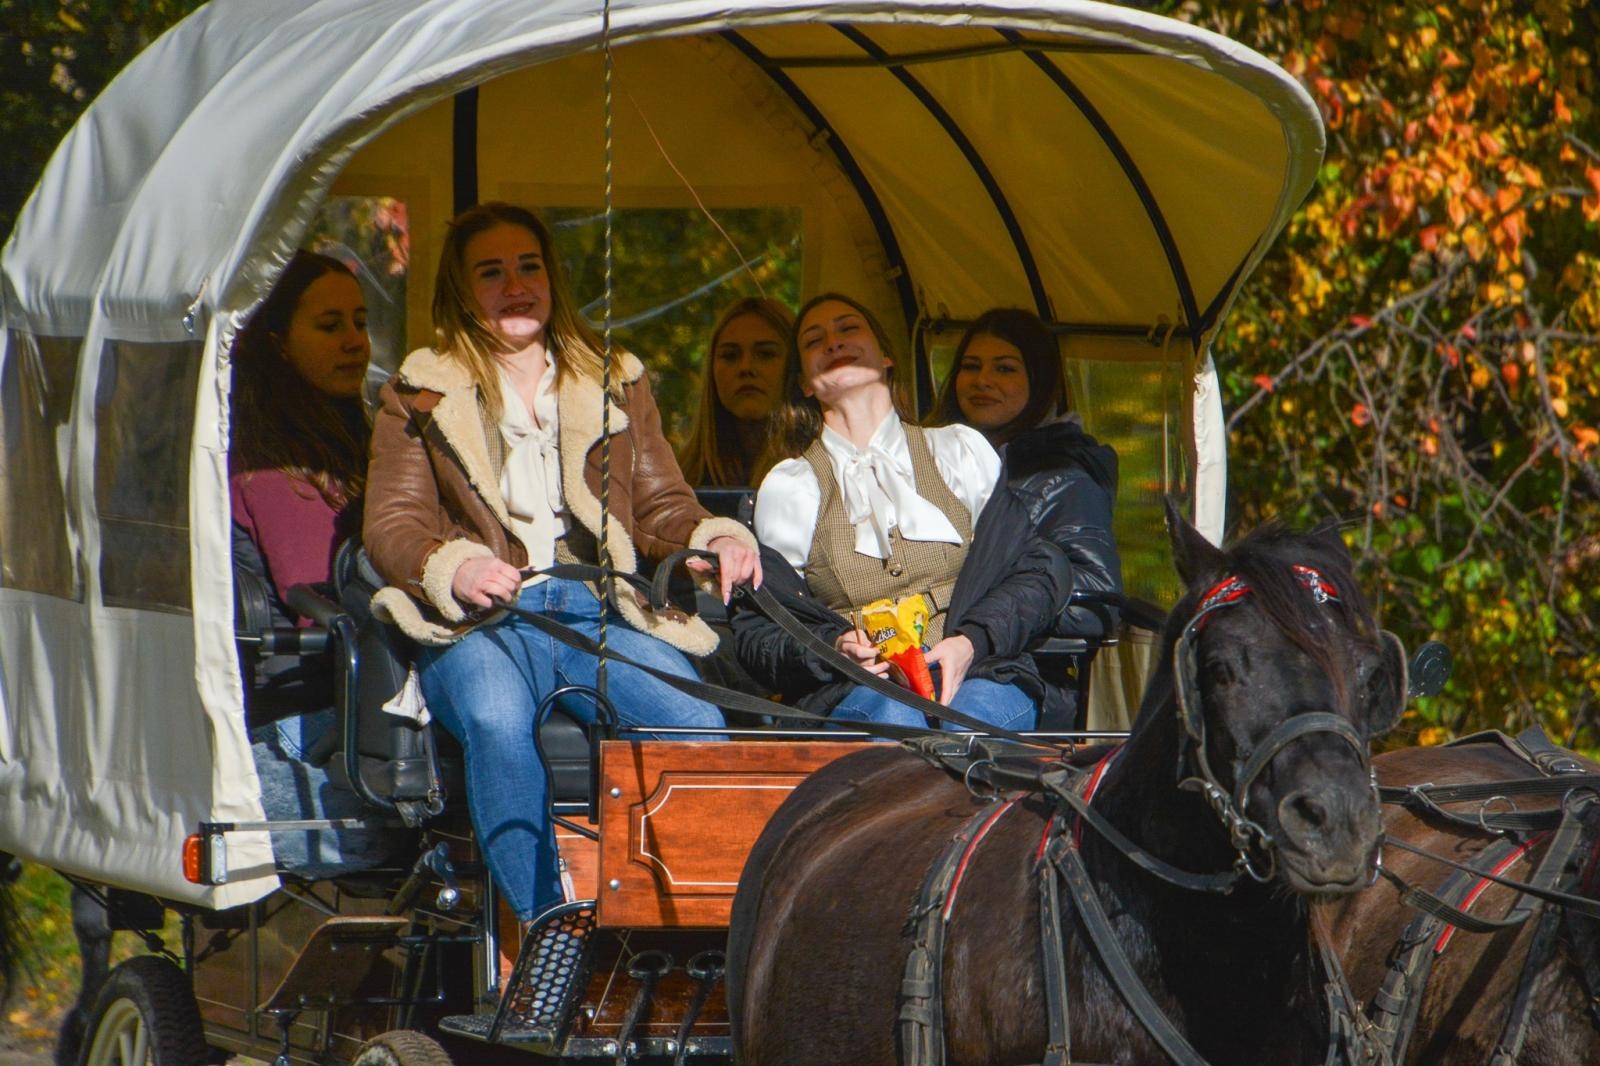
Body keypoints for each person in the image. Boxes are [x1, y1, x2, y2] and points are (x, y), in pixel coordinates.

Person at [363, 202, 760, 939]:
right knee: (496, 719)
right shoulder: (418, 389)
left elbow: (661, 502)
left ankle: (681, 933)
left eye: (529, 267)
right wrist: (455, 567)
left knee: (694, 723)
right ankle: (550, 935)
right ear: (460, 288)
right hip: (478, 625)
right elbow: (393, 523)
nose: (515, 285)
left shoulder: (611, 378)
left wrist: (711, 537)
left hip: (592, 613)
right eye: (492, 272)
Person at [732, 293, 1072, 732]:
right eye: (815, 339)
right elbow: (764, 630)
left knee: (971, 721)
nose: (834, 342)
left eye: (849, 328)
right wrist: (832, 650)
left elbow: (1035, 570)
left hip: (980, 671)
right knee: (894, 719)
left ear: (887, 356)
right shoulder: (790, 486)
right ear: (803, 382)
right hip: (861, 690)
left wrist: (971, 642)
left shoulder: (958, 450)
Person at [228, 249, 391, 877]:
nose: (354, 340)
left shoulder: (358, 436)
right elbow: (322, 602)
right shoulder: (274, 464)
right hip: (313, 704)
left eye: (360, 320)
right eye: (330, 326)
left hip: (354, 685)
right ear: (278, 343)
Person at [930, 308, 1122, 644]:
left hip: (1012, 669)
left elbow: (1097, 600)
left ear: (1040, 380)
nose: (982, 380)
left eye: (1004, 368)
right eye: (971, 366)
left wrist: (985, 627)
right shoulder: (925, 453)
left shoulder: (1062, 475)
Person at [677, 297, 795, 487]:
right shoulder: (678, 481)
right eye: (730, 356)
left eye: (765, 354)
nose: (746, 368)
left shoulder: (823, 471)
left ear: (797, 367)